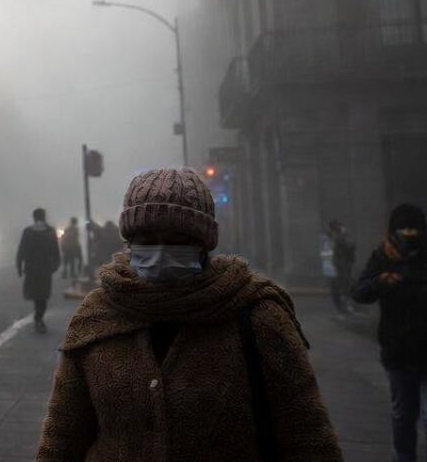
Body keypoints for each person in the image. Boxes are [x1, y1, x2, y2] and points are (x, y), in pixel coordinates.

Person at [37, 168, 343, 461]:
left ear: (203, 243)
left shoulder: (258, 315)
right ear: (130, 241)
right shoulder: (96, 316)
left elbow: (308, 439)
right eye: (147, 237)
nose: (161, 249)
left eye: (177, 238)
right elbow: (61, 439)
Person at [352, 203, 427, 462]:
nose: (409, 236)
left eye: (414, 231)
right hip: (400, 351)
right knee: (403, 416)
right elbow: (359, 292)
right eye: (404, 231)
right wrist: (381, 281)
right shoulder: (383, 256)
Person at [16, 208, 61, 333]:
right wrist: (55, 265)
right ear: (44, 216)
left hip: (31, 268)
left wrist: (19, 266)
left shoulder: (27, 231)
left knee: (36, 294)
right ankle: (39, 318)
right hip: (45, 268)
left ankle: (38, 317)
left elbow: (21, 250)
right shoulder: (50, 231)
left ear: (34, 217)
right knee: (43, 295)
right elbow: (55, 251)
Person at [322, 219, 356, 316]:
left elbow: (351, 246)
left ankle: (345, 306)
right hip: (336, 266)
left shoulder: (342, 237)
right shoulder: (333, 237)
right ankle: (341, 307)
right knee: (338, 286)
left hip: (342, 265)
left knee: (344, 285)